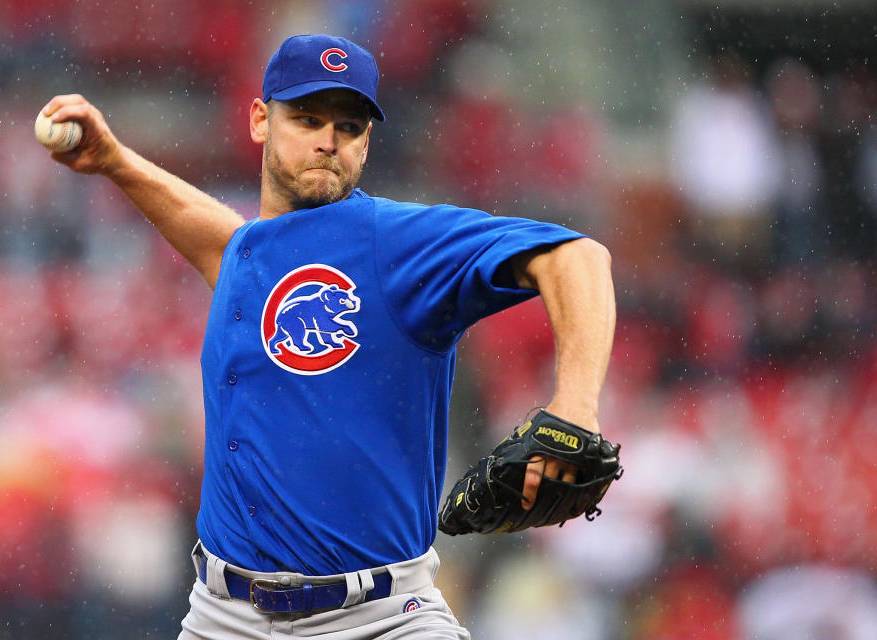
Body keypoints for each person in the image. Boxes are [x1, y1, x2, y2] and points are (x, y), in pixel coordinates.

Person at [41, 34, 616, 640]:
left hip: (378, 619)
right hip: (223, 617)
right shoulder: (252, 257)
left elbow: (577, 257)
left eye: (348, 125)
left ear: (366, 142)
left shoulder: (393, 242)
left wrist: (575, 406)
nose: (327, 139)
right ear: (261, 121)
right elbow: (225, 244)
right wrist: (115, 162)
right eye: (307, 118)